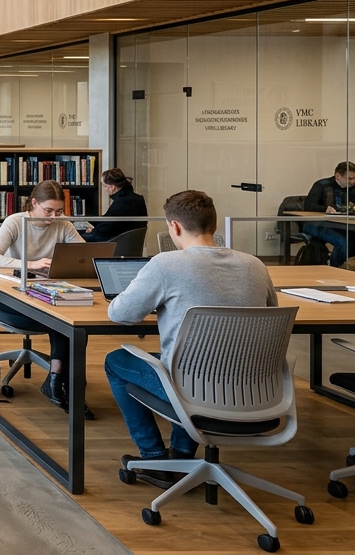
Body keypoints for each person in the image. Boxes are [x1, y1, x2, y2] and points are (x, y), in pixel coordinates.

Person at [104, 190, 276, 489]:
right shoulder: (255, 265)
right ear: (215, 224)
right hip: (254, 391)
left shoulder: (166, 264)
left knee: (117, 361)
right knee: (196, 362)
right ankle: (182, 454)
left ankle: (155, 457)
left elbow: (120, 313)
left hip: (194, 391)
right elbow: (271, 316)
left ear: (175, 227)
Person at [0, 180, 91, 417]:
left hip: (47, 289)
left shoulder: (62, 225)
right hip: (13, 291)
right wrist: (31, 264)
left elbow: (85, 256)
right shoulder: (16, 222)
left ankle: (62, 383)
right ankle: (60, 383)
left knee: (73, 320)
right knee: (62, 319)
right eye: (48, 211)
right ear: (34, 204)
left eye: (59, 211)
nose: (53, 217)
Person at [302, 161, 355, 266]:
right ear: (338, 176)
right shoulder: (322, 185)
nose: (353, 182)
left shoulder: (354, 188)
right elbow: (308, 206)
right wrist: (325, 208)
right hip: (318, 223)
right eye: (349, 179)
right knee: (343, 243)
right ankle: (334, 268)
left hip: (343, 225)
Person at [80, 168, 148, 242]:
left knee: (77, 237)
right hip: (129, 241)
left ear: (112, 187)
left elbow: (107, 227)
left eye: (105, 186)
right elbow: (110, 220)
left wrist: (93, 230)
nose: (106, 189)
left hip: (116, 241)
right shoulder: (137, 198)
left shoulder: (122, 202)